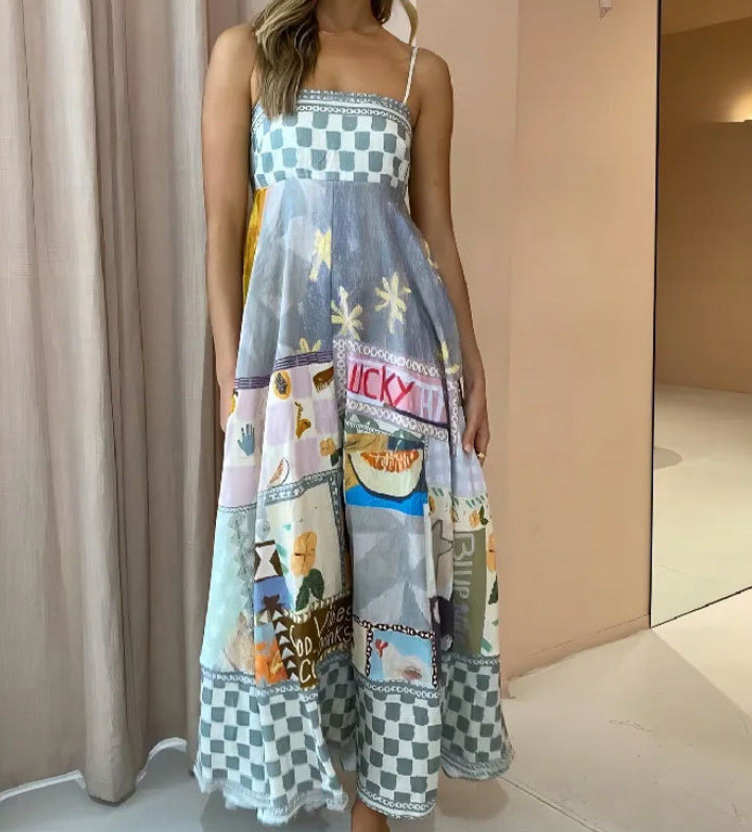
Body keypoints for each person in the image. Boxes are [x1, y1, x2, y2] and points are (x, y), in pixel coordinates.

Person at [194, 1, 515, 829]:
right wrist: (232, 372)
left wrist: (473, 363)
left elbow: (437, 232)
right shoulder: (246, 55)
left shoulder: (421, 74)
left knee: (391, 578)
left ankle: (375, 809)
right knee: (300, 575)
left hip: (398, 362)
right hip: (289, 369)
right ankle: (319, 775)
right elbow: (223, 220)